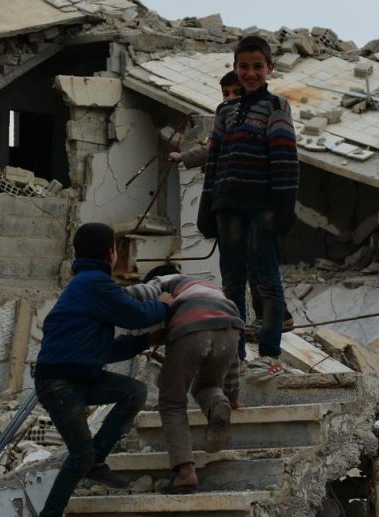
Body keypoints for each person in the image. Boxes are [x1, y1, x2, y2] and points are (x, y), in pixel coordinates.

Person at [30, 222, 175, 517]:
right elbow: (135, 314)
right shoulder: (94, 283)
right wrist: (162, 305)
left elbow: (102, 349)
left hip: (78, 377)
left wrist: (147, 341)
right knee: (78, 454)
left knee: (133, 392)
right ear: (111, 253)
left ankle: (97, 461)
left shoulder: (87, 285)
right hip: (61, 384)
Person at [197, 34, 300, 377]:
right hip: (228, 207)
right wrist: (207, 205)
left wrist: (284, 206)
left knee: (267, 280)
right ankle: (236, 352)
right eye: (244, 66)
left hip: (262, 208)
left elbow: (285, 158)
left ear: (270, 68)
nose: (251, 73)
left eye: (258, 66)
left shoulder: (276, 107)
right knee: (232, 282)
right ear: (235, 68)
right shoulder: (224, 111)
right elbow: (214, 160)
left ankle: (270, 351)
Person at [169, 71, 295, 337]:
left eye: (235, 93)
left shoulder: (267, 113)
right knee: (244, 268)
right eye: (226, 93)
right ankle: (260, 321)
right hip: (235, 205)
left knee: (258, 267)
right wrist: (186, 157)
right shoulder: (229, 118)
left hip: (257, 203)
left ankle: (276, 319)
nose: (230, 98)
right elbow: (214, 150)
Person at [125, 264, 243, 493]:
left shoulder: (164, 280)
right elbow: (234, 361)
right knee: (208, 386)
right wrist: (232, 396)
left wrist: (108, 293)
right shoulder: (209, 288)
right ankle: (218, 404)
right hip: (230, 328)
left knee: (172, 402)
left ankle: (186, 473)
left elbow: (139, 294)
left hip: (191, 329)